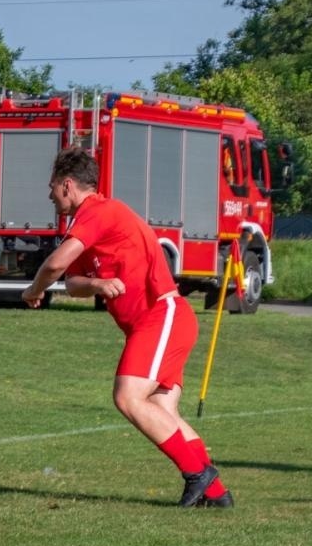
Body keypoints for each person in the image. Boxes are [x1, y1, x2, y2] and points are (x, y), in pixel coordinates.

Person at [22, 146, 233, 510]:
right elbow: (72, 281)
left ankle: (199, 475)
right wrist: (98, 285)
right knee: (162, 410)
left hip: (162, 315)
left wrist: (33, 290)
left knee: (127, 397)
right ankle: (216, 495)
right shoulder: (87, 224)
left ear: (68, 185)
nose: (49, 195)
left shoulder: (100, 212)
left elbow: (55, 266)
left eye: (52, 186)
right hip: (159, 323)